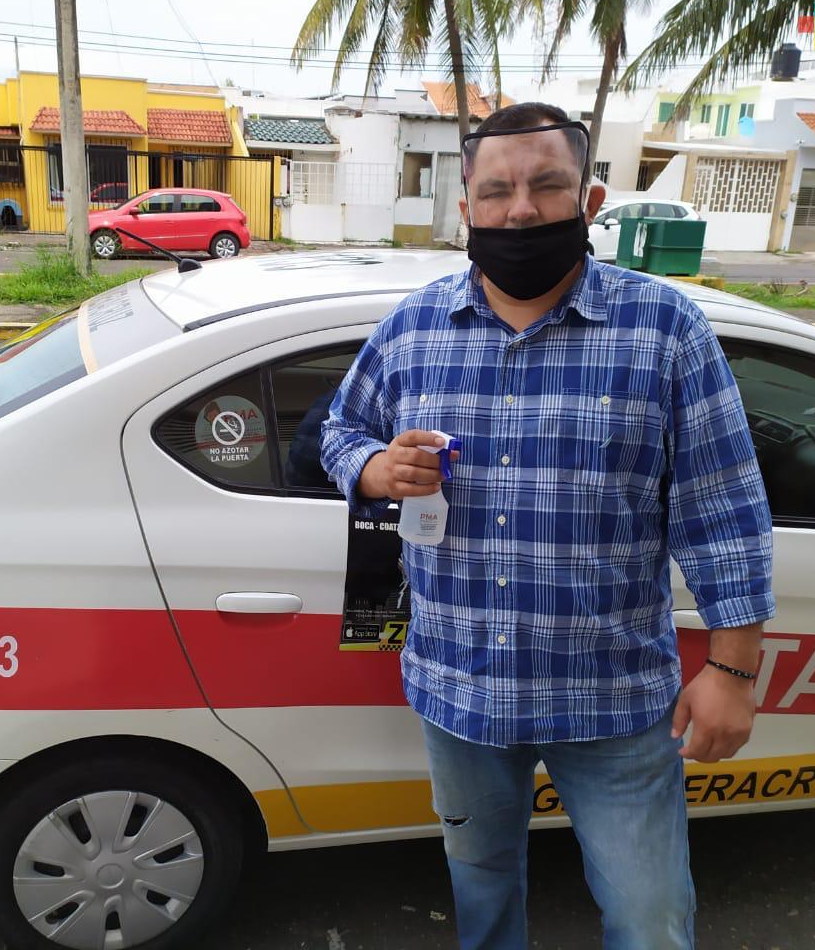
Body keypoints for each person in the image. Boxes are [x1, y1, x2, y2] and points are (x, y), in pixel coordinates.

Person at [319, 103, 775, 950]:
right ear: (468, 208)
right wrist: (373, 470)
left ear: (590, 199)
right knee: (481, 886)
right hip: (460, 691)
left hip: (612, 699)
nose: (521, 210)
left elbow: (723, 509)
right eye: (497, 192)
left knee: (650, 916)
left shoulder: (665, 330)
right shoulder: (414, 329)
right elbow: (341, 430)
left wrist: (732, 670)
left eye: (546, 185)